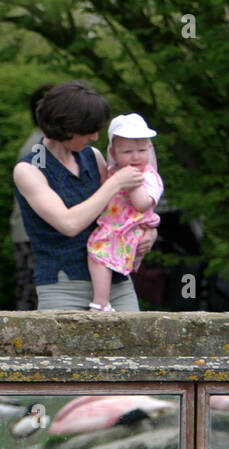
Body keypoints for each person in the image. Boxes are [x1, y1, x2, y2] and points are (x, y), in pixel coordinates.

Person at [12, 81, 157, 310]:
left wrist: (150, 230)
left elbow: (121, 209)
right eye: (90, 130)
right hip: (64, 288)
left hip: (117, 280)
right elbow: (69, 223)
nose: (95, 136)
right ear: (68, 129)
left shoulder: (94, 157)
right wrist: (115, 183)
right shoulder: (29, 170)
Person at [87, 113, 164, 311]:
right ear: (113, 152)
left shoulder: (148, 177)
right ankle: (103, 301)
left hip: (130, 228)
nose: (135, 157)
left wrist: (131, 183)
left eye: (141, 150)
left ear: (150, 149)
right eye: (127, 152)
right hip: (114, 226)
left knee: (98, 252)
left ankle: (100, 302)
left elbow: (142, 204)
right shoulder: (112, 171)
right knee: (98, 256)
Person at [12, 84, 54, 311]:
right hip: (34, 234)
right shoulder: (39, 147)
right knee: (34, 299)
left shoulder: (43, 143)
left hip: (33, 232)